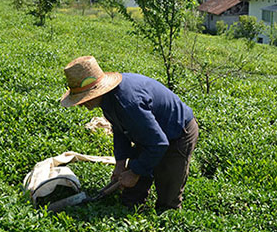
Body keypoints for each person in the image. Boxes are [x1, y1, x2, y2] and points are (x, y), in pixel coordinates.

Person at [60, 56, 198, 212]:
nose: (82, 104)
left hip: (178, 133)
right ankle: (132, 208)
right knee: (130, 196)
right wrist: (120, 164)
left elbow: (159, 144)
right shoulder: (107, 99)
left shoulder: (127, 103)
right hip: (149, 134)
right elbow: (120, 130)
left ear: (95, 91)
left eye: (83, 98)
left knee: (167, 197)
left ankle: (166, 219)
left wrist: (135, 172)